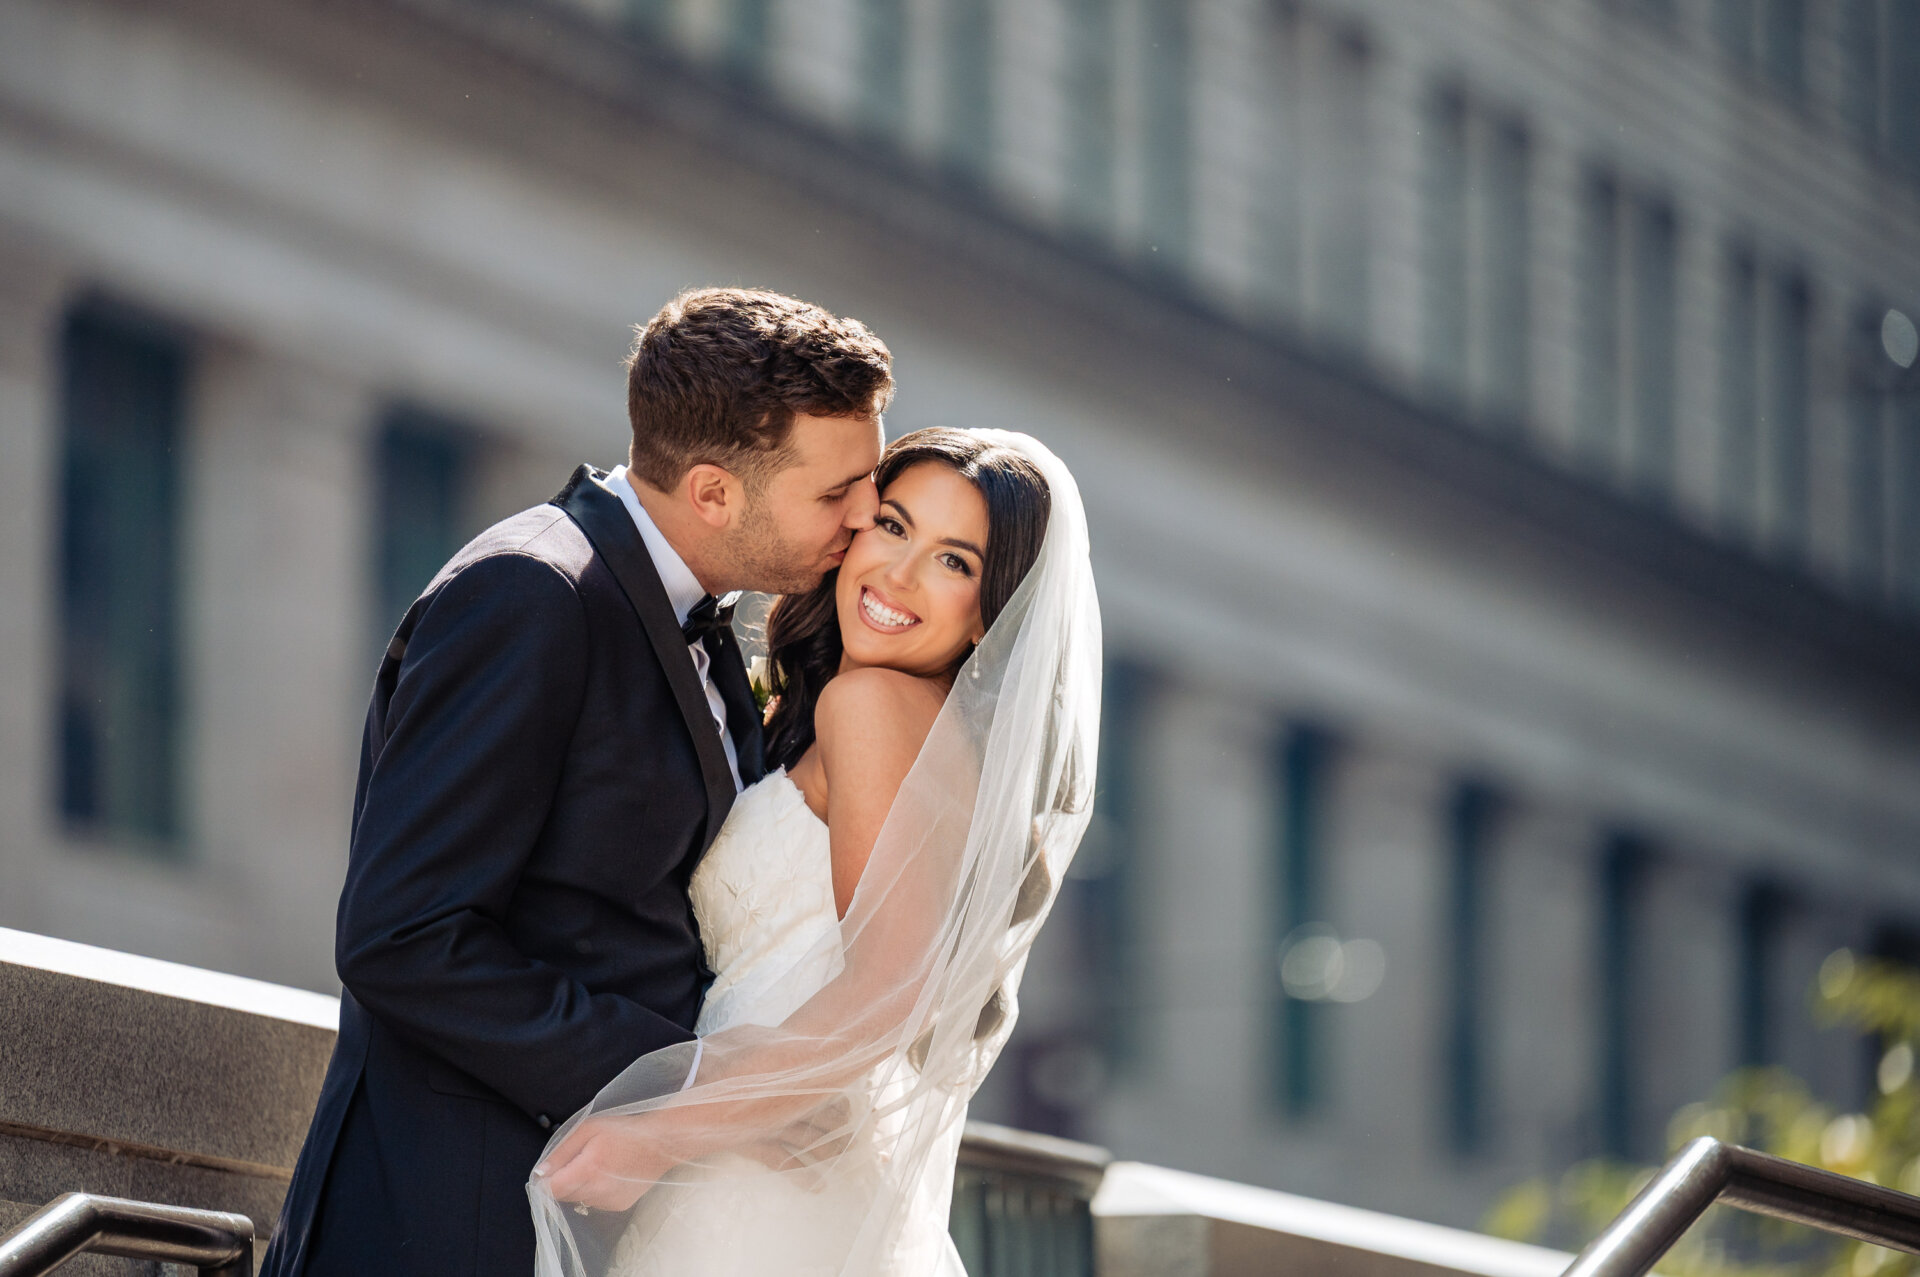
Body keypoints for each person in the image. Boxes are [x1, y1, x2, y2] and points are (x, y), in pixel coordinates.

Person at [259, 287, 895, 1277]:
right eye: (835, 494)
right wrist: (689, 1082)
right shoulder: (530, 593)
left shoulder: (708, 622)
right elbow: (402, 936)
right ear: (714, 491)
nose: (865, 521)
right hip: (451, 1225)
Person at [529, 427, 1102, 1277]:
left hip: (752, 1194)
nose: (898, 575)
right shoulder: (943, 743)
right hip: (796, 1169)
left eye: (954, 562)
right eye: (894, 525)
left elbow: (886, 991)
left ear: (991, 614)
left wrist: (662, 1132)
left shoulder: (870, 705)